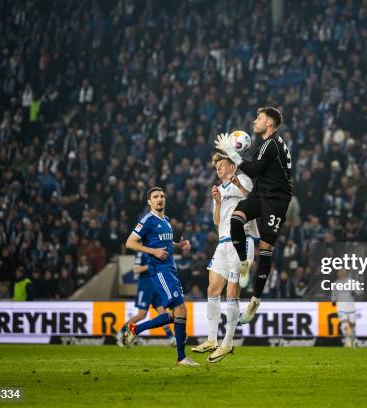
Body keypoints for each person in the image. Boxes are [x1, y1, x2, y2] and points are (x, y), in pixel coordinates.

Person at [214, 106, 292, 324]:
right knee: (236, 219)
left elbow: (254, 170)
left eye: (259, 118)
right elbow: (255, 169)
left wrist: (231, 152)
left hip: (277, 200)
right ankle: (243, 263)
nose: (255, 121)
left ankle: (254, 302)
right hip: (261, 193)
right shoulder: (265, 143)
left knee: (265, 251)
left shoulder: (273, 144)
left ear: (269, 123)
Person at [191, 153, 259, 362]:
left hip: (241, 240)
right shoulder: (218, 190)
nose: (218, 168)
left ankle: (227, 343)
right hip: (222, 243)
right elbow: (216, 220)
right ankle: (212, 339)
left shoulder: (243, 179)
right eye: (216, 166)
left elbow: (253, 199)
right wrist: (218, 202)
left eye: (221, 164)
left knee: (232, 292)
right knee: (212, 289)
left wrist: (238, 183)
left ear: (232, 166)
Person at [123, 187, 198, 367]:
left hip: (170, 269)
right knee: (180, 310)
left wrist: (178, 246)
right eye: (155, 197)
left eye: (162, 196)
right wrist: (153, 251)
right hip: (159, 270)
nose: (160, 199)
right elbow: (130, 242)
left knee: (176, 313)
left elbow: (164, 242)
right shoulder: (147, 220)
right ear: (149, 202)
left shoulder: (165, 220)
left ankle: (136, 329)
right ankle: (181, 358)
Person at [114, 251, 175, 347]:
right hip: (145, 287)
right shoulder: (141, 253)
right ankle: (121, 333)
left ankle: (171, 338)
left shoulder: (157, 250)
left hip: (156, 287)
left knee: (163, 314)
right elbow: (135, 270)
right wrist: (150, 266)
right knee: (142, 314)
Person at [332, 269, 357, 348]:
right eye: (340, 272)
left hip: (350, 306)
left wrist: (355, 292)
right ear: (338, 274)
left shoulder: (352, 282)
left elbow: (360, 291)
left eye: (343, 272)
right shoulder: (336, 284)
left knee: (352, 324)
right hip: (341, 307)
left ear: (346, 273)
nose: (342, 273)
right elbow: (333, 296)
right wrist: (334, 301)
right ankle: (347, 340)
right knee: (344, 325)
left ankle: (353, 339)